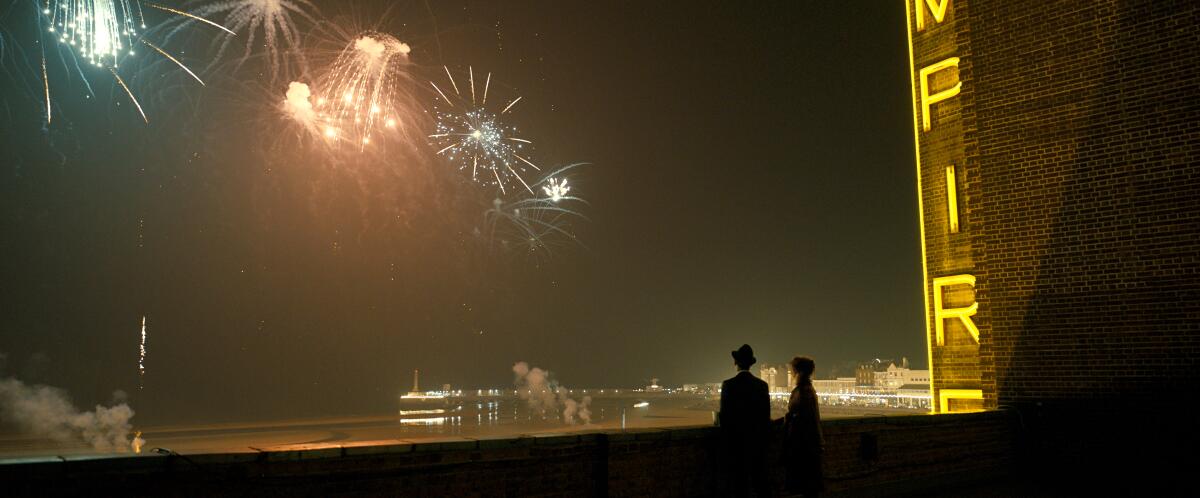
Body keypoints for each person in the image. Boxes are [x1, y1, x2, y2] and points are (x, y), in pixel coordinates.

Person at [717, 344, 772, 497]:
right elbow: (766, 416)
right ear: (751, 364)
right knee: (760, 483)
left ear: (736, 363)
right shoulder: (762, 386)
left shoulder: (728, 385)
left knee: (738, 484)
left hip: (736, 444)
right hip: (758, 443)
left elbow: (725, 417)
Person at [782, 356, 824, 497]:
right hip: (809, 447)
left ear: (798, 372)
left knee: (805, 488)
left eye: (793, 371)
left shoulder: (803, 392)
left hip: (803, 448)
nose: (792, 374)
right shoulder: (808, 390)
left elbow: (799, 417)